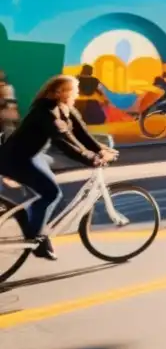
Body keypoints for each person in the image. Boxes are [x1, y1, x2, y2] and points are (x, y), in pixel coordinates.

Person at [0, 75, 117, 260]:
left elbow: (80, 133)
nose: (77, 93)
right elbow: (64, 143)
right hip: (14, 159)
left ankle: (39, 231)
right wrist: (92, 159)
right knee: (50, 193)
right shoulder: (46, 112)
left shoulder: (64, 108)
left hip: (31, 155)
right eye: (74, 90)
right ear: (60, 93)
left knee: (51, 194)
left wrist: (100, 149)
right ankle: (34, 238)